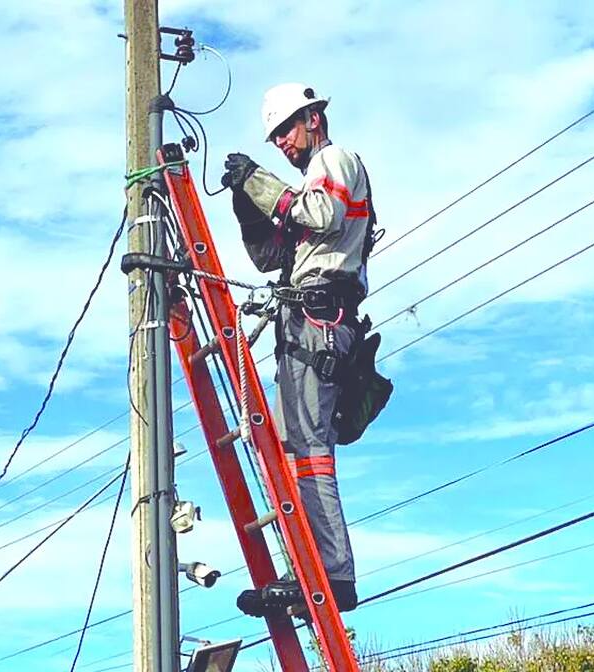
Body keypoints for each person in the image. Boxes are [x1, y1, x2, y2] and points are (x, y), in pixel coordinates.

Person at [221, 83, 379, 615]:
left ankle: (331, 574)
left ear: (314, 117)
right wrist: (249, 202)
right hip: (305, 317)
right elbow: (272, 255)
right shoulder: (312, 177)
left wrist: (258, 182)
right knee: (293, 455)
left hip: (321, 316)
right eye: (273, 139)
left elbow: (320, 215)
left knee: (309, 456)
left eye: (286, 129)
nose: (282, 144)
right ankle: (308, 569)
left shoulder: (335, 159)